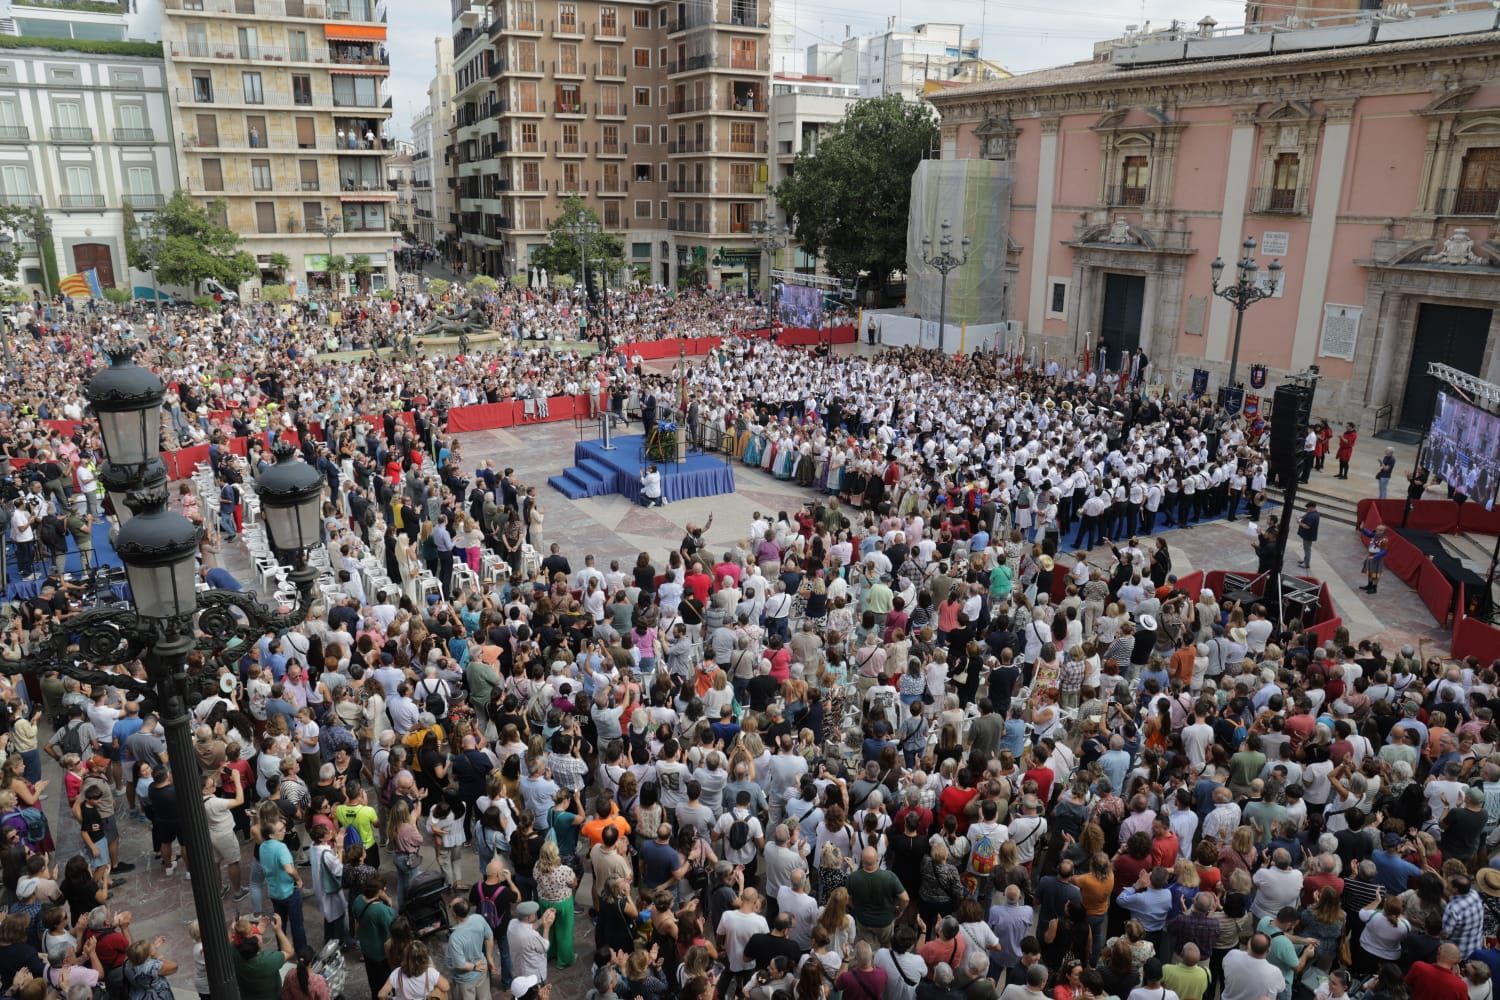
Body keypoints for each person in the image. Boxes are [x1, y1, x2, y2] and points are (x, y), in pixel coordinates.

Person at [1297, 503, 1320, 571]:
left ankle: (1306, 564)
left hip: (1308, 536)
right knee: (1306, 548)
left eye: (1308, 508)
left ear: (1311, 507)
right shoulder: (1315, 513)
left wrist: (1299, 522)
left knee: (1307, 549)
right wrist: (1301, 517)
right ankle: (1305, 560)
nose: (1307, 509)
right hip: (1308, 535)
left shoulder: (1312, 516)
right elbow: (1306, 515)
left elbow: (1307, 526)